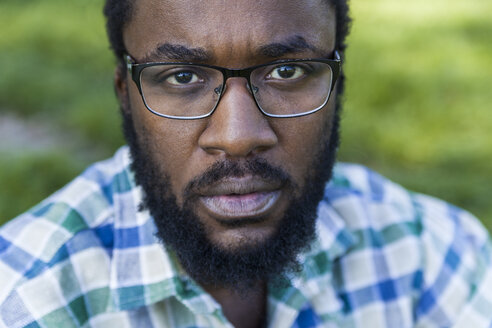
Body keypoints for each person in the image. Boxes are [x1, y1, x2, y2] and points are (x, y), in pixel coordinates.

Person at [1, 0, 491, 327]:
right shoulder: (29, 303)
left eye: (286, 70)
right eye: (182, 75)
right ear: (125, 96)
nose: (238, 137)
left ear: (337, 84)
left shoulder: (430, 252)